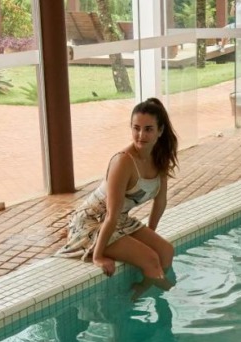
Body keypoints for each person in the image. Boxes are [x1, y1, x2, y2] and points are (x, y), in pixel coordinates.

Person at [57, 97, 179, 299]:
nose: (141, 135)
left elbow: (160, 201)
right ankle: (170, 294)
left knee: (166, 251)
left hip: (119, 219)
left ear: (160, 131)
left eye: (148, 129)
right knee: (150, 259)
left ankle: (147, 293)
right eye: (136, 128)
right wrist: (98, 256)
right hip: (93, 221)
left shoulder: (159, 157)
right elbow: (110, 215)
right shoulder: (123, 161)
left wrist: (150, 234)